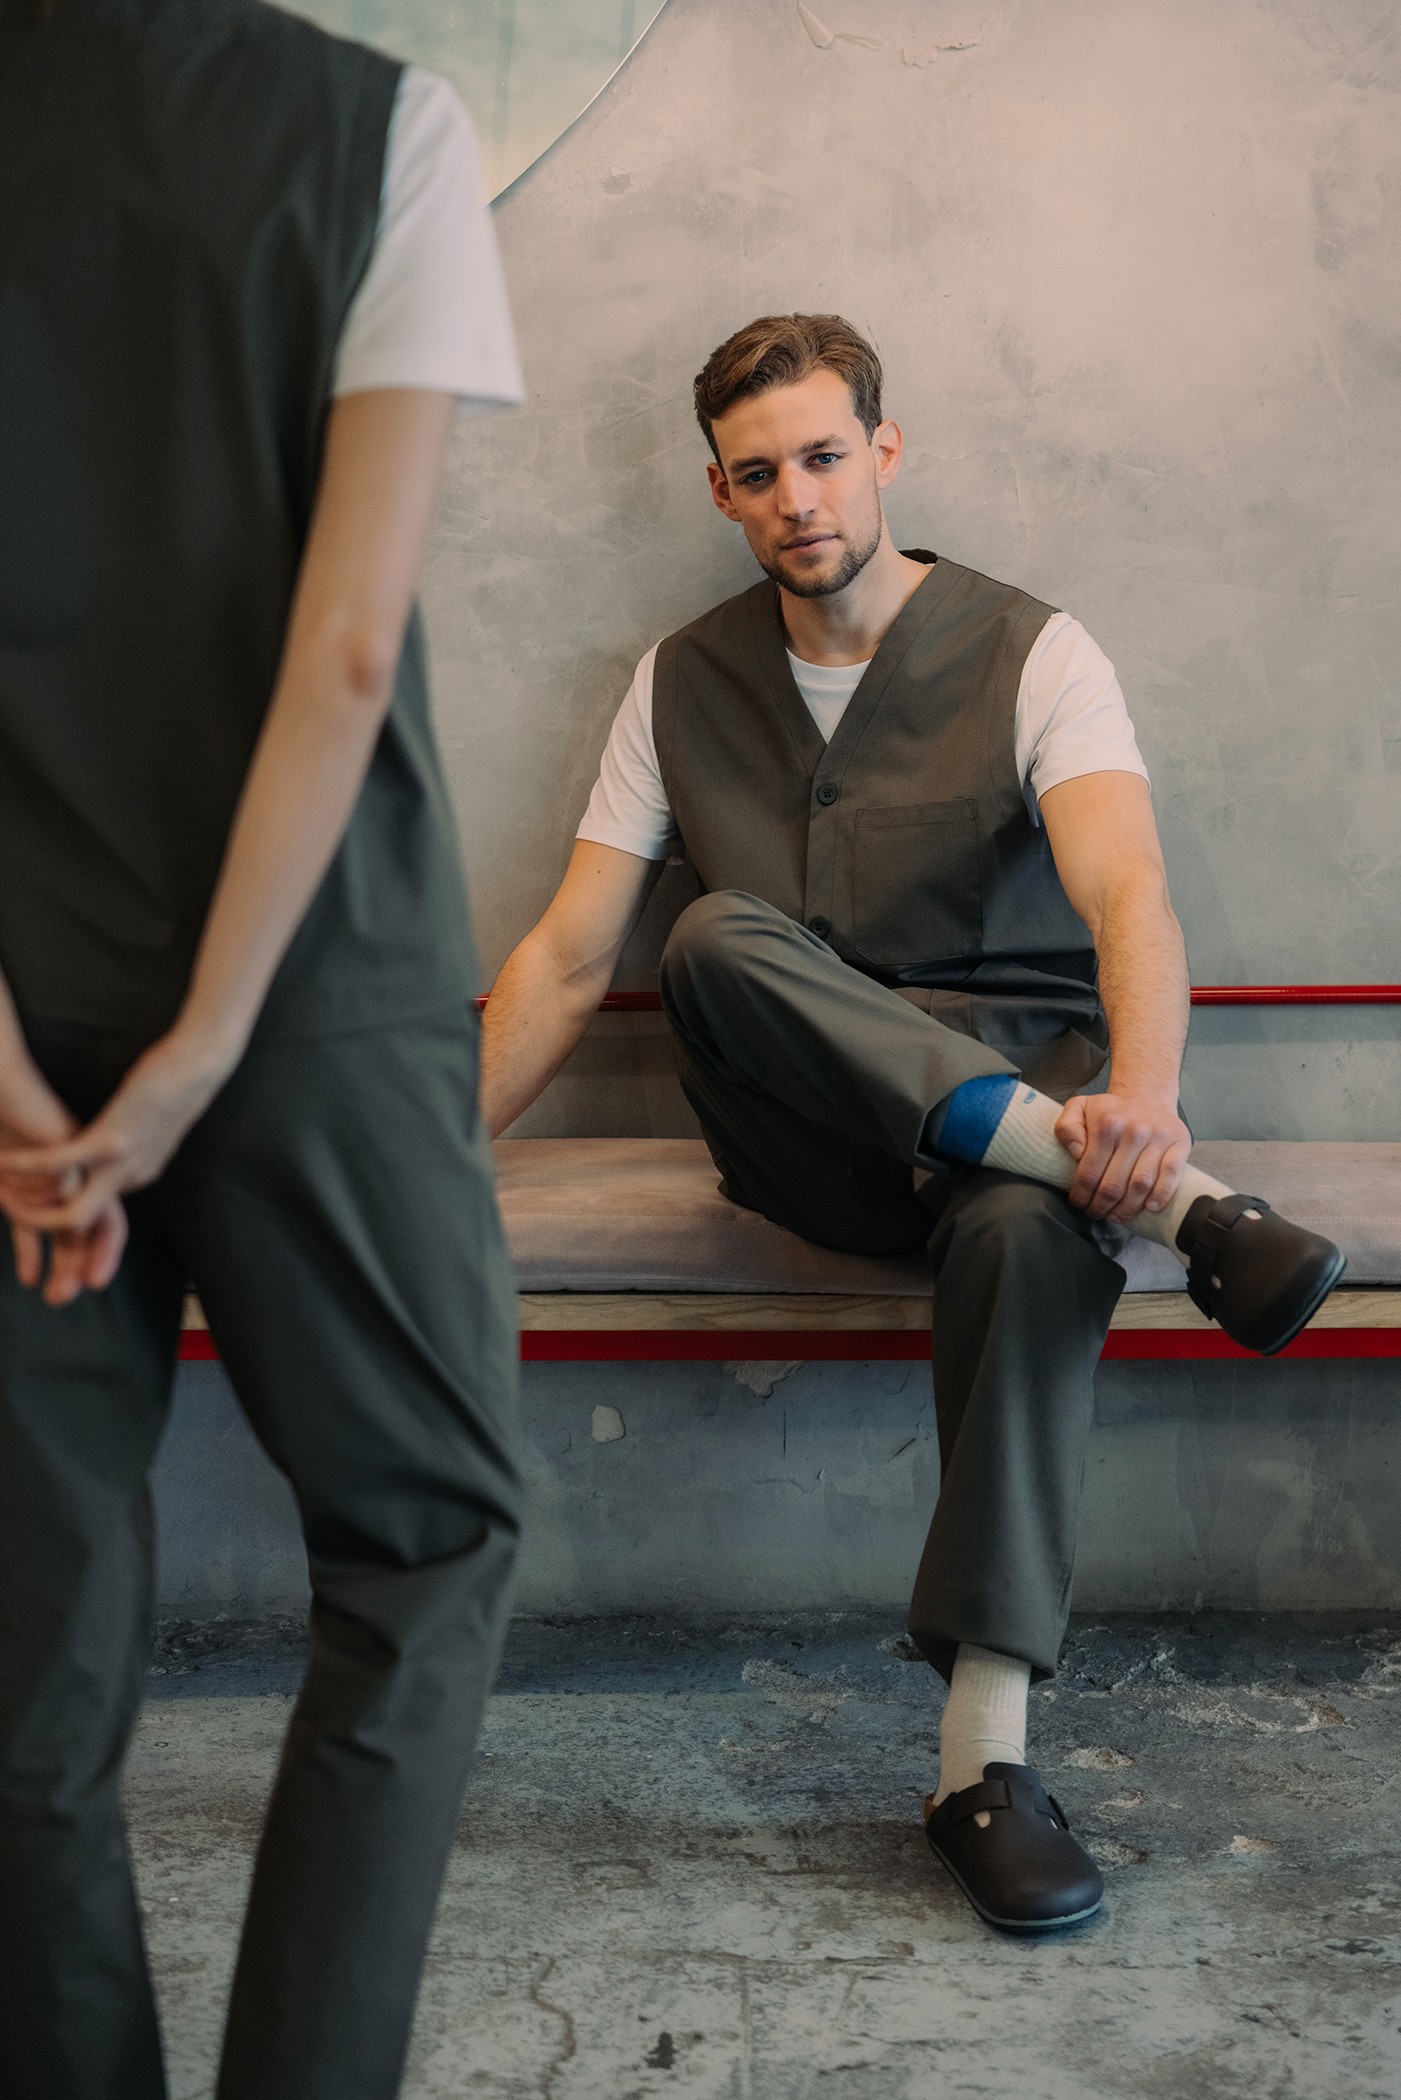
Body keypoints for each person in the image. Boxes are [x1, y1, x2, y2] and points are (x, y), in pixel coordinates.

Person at [479, 312, 1344, 1933]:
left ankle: (980, 1770)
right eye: (756, 474)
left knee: (1030, 1231)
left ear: (884, 450)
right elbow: (569, 954)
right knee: (709, 936)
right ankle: (1185, 1217)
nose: (795, 497)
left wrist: (1144, 1103)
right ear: (720, 493)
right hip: (813, 1150)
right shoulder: (677, 681)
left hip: (1016, 1137)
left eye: (821, 455)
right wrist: (431, 1153)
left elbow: (1125, 892)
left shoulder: (1035, 651)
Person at [0, 3, 524, 2094]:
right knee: (424, 1544)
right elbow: (347, 644)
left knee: (26, 1637)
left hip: (22, 1013)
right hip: (319, 993)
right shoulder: (381, 130)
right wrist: (209, 1035)